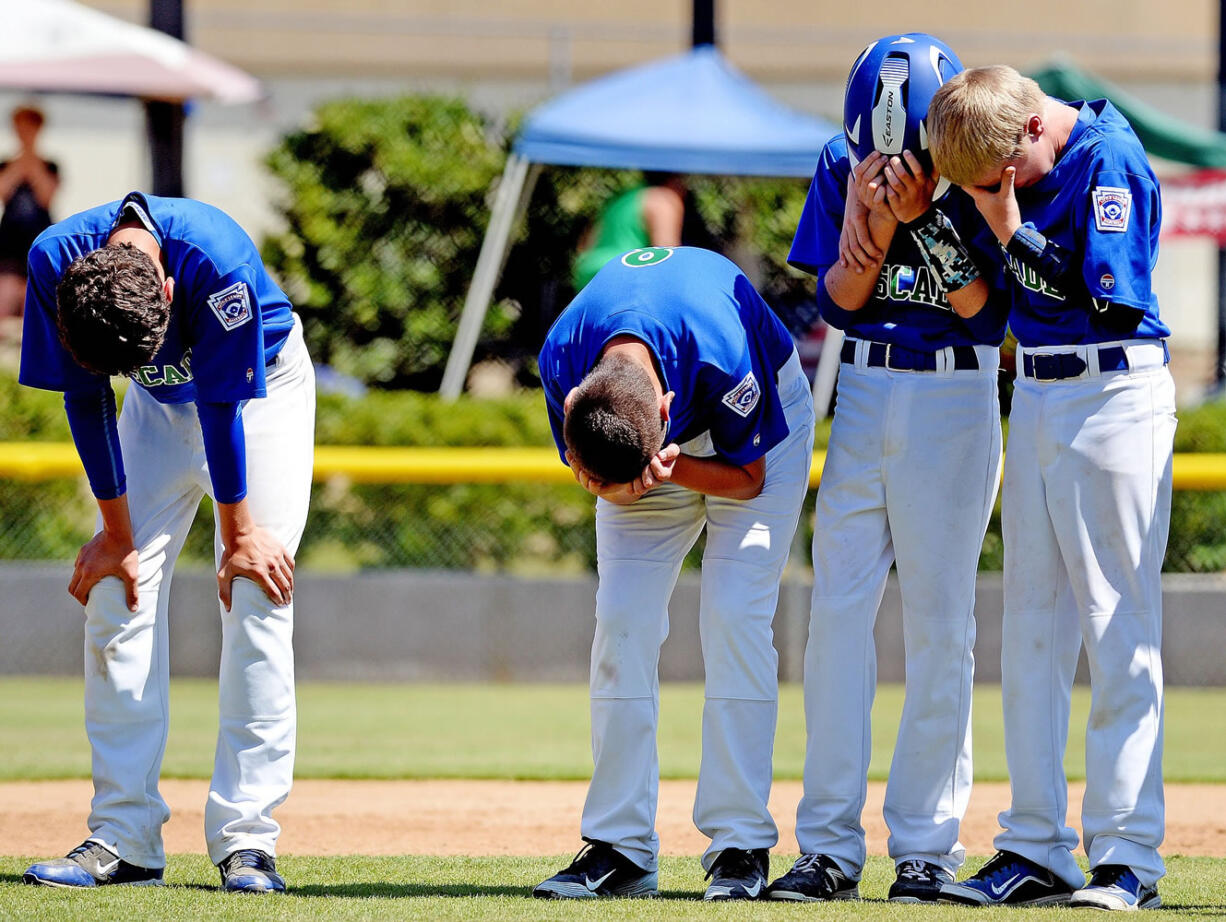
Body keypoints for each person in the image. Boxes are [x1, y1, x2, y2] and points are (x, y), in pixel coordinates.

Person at [766, 34, 1009, 904]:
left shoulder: (978, 162)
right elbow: (836, 300)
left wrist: (921, 220)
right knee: (835, 617)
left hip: (954, 392)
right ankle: (828, 844)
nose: (889, 162)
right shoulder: (843, 159)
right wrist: (868, 227)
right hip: (865, 383)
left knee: (941, 626)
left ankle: (926, 847)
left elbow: (988, 322)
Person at [928, 65, 1175, 912]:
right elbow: (993, 303)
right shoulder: (1007, 157)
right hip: (1033, 387)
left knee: (1118, 625)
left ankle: (1126, 855)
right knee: (1030, 626)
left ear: (1034, 128)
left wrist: (1011, 231)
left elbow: (1110, 303)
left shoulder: (1110, 159)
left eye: (1004, 174)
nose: (1000, 191)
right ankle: (1035, 845)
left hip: (1114, 390)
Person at [18, 192, 315, 893]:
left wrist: (239, 534)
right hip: (152, 404)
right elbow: (84, 399)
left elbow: (222, 405)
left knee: (255, 591)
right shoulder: (52, 261)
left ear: (170, 290)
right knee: (115, 591)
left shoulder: (218, 261)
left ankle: (247, 842)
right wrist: (116, 538)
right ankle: (123, 837)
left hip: (258, 393)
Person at [533, 245, 815, 901]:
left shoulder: (721, 349)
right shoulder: (561, 362)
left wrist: (669, 467)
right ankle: (620, 849)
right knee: (622, 622)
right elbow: (597, 464)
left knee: (734, 615)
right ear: (574, 398)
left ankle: (740, 845)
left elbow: (748, 479)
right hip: (653, 443)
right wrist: (619, 482)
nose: (599, 490)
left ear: (665, 411)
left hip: (756, 435)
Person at [571, 173, 714, 291]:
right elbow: (667, 256)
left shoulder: (624, 198)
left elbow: (587, 243)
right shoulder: (662, 199)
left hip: (589, 279)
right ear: (677, 182)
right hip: (621, 280)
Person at [0, 105, 59, 323]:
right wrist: (20, 161)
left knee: (34, 300)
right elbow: (3, 191)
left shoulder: (49, 165)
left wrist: (31, 159)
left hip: (38, 237)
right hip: (9, 241)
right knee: (4, 297)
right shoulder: (7, 164)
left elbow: (46, 196)